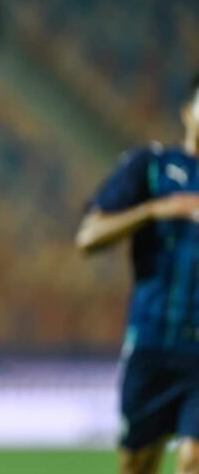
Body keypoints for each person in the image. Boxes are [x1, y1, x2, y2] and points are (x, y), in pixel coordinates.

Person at [76, 74, 199, 474]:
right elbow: (89, 236)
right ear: (187, 112)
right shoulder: (152, 167)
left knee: (193, 460)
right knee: (137, 465)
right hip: (151, 345)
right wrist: (155, 210)